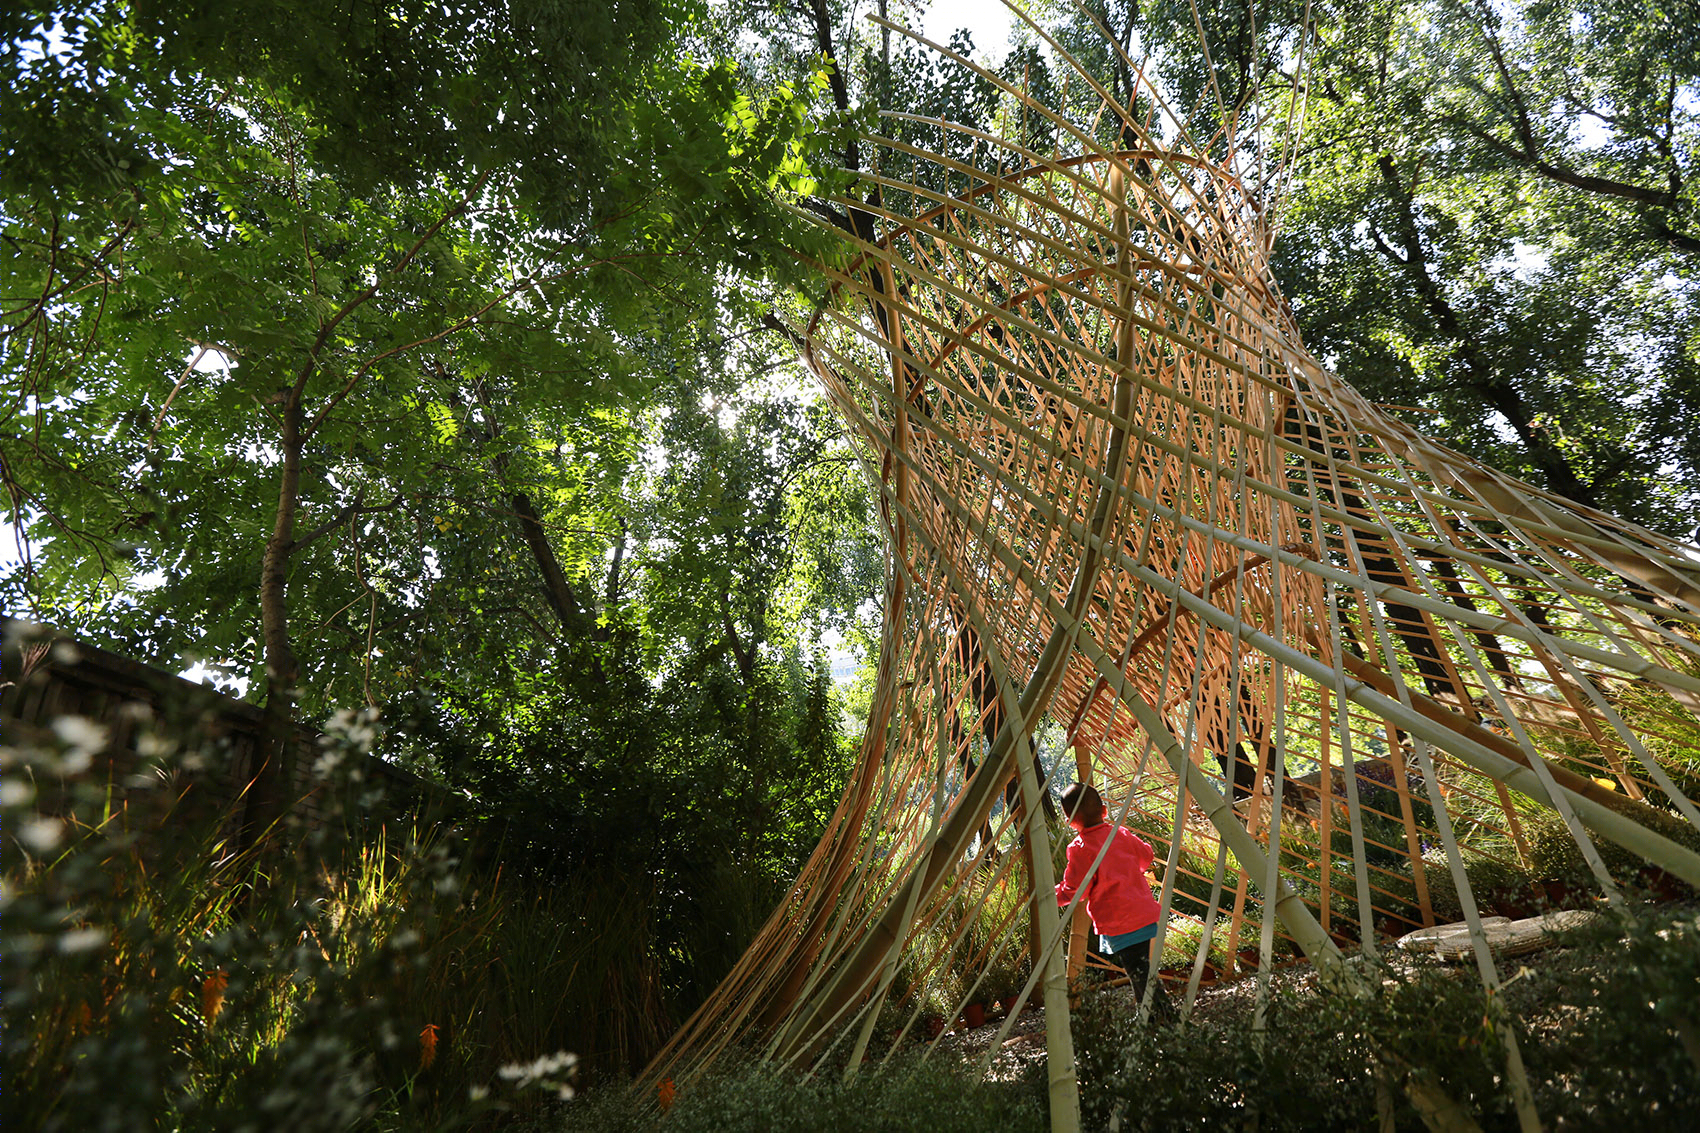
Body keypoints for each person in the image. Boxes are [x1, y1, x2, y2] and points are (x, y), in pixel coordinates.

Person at [1055, 782, 1175, 1020]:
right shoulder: (1119, 833)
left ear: (1069, 819)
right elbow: (1146, 856)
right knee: (1141, 969)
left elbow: (1075, 889)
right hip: (1144, 912)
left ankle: (1166, 1018)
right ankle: (1150, 1017)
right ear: (1104, 811)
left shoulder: (1080, 848)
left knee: (1139, 971)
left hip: (1121, 921)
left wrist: (1051, 896)